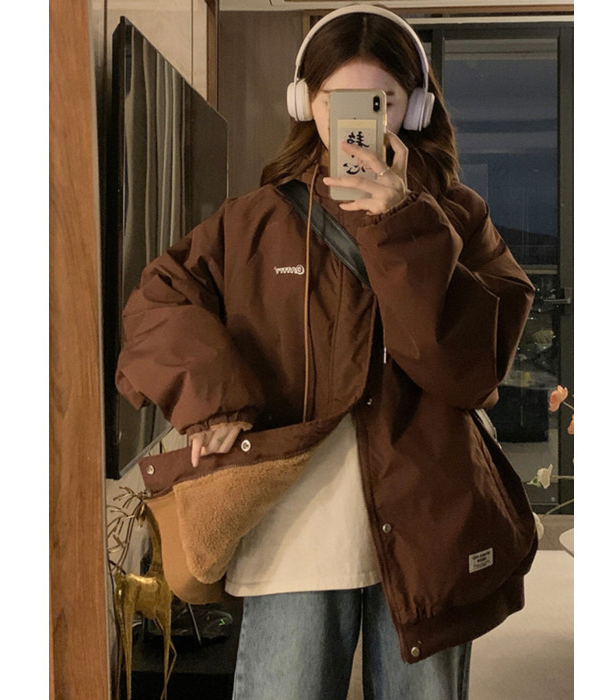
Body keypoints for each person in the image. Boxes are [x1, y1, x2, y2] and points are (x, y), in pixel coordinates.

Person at [116, 5, 538, 699]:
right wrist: (215, 400)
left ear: (416, 107)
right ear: (304, 103)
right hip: (295, 534)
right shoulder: (253, 222)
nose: (357, 121)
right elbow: (159, 299)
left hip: (430, 527)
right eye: (336, 100)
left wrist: (404, 226)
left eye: (382, 101)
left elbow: (470, 371)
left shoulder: (458, 217)